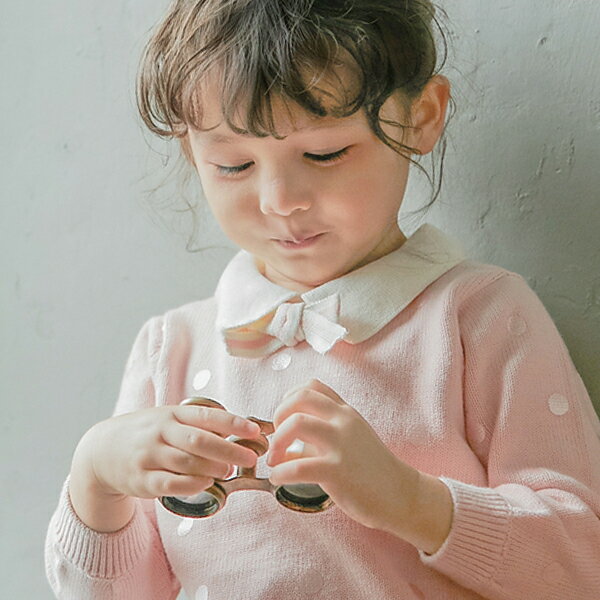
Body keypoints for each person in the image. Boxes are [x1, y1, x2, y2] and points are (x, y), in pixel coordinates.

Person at [45, 1, 600, 598]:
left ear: (421, 117)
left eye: (324, 154)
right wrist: (95, 478)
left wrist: (411, 501)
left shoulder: (481, 316)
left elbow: (583, 565)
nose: (280, 200)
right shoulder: (171, 347)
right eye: (233, 164)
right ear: (191, 150)